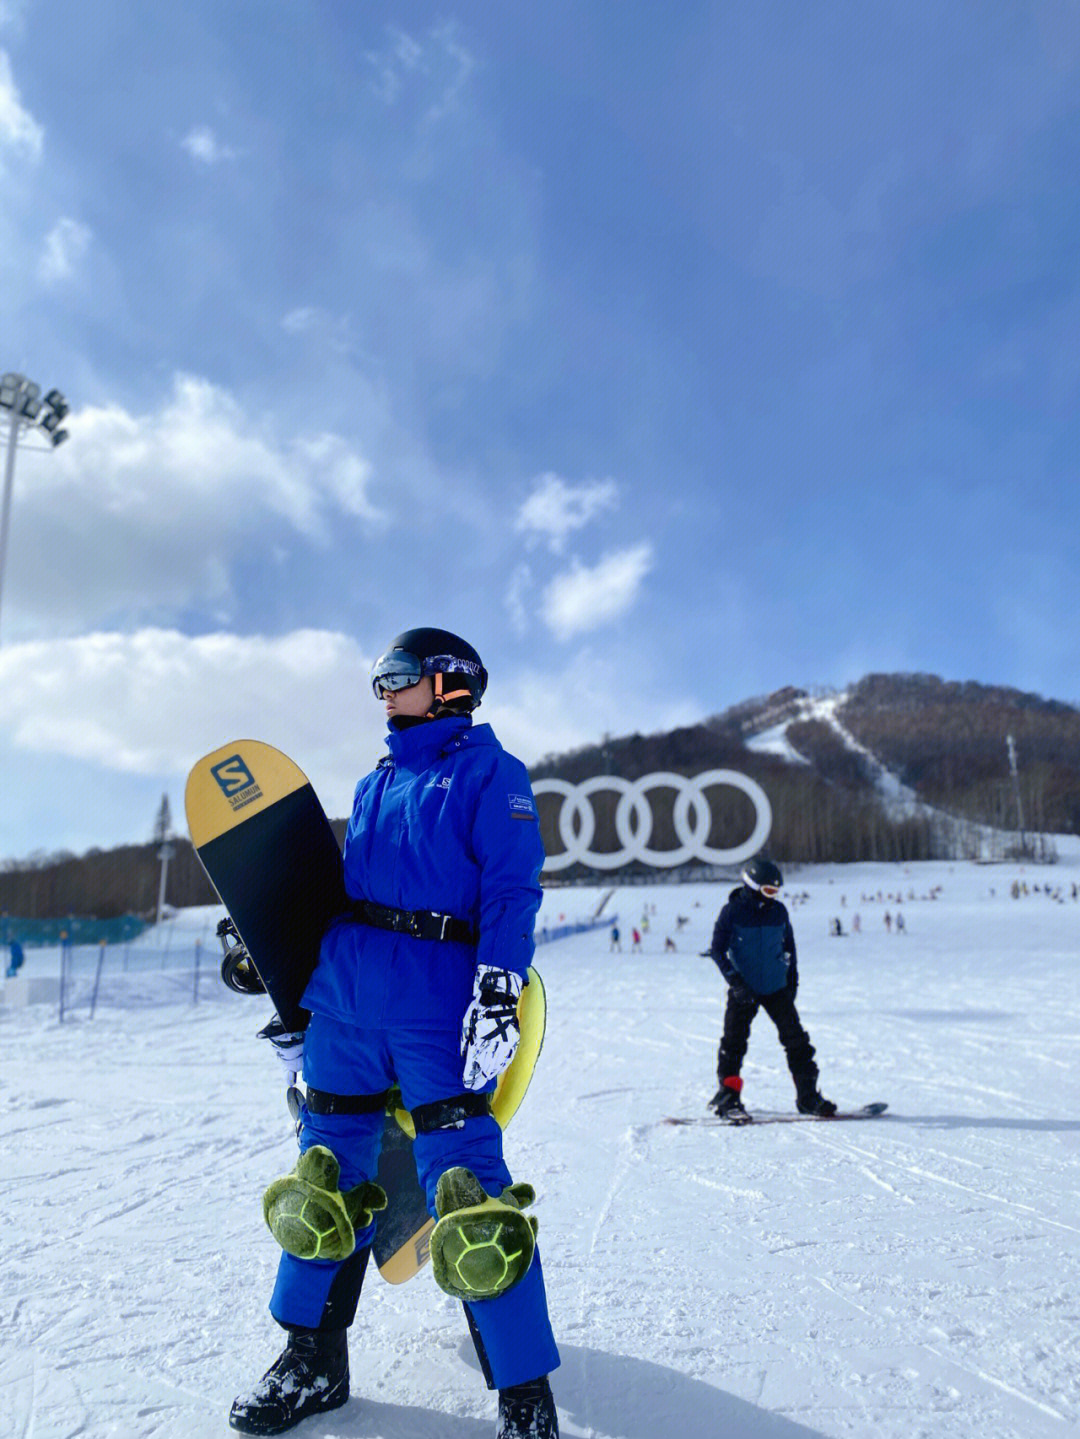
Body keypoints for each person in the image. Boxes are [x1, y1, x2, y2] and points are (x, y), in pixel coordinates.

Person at [230, 628, 560, 1438]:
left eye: (400, 675)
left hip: (436, 1002)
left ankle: (523, 1397)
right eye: (379, 677)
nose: (384, 689)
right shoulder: (375, 781)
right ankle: (313, 1361)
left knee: (469, 1193)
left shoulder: (494, 773)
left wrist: (497, 989)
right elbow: (343, 895)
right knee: (322, 1181)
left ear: (451, 683)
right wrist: (270, 959)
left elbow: (514, 891)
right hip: (345, 998)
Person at [707, 854, 835, 1120]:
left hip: (776, 987)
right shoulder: (732, 912)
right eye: (768, 890)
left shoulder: (779, 911)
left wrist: (792, 981)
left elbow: (789, 948)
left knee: (797, 1041)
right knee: (733, 1044)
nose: (773, 896)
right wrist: (735, 982)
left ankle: (808, 1097)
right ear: (752, 886)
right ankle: (729, 1100)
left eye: (776, 890)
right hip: (744, 989)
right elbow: (717, 951)